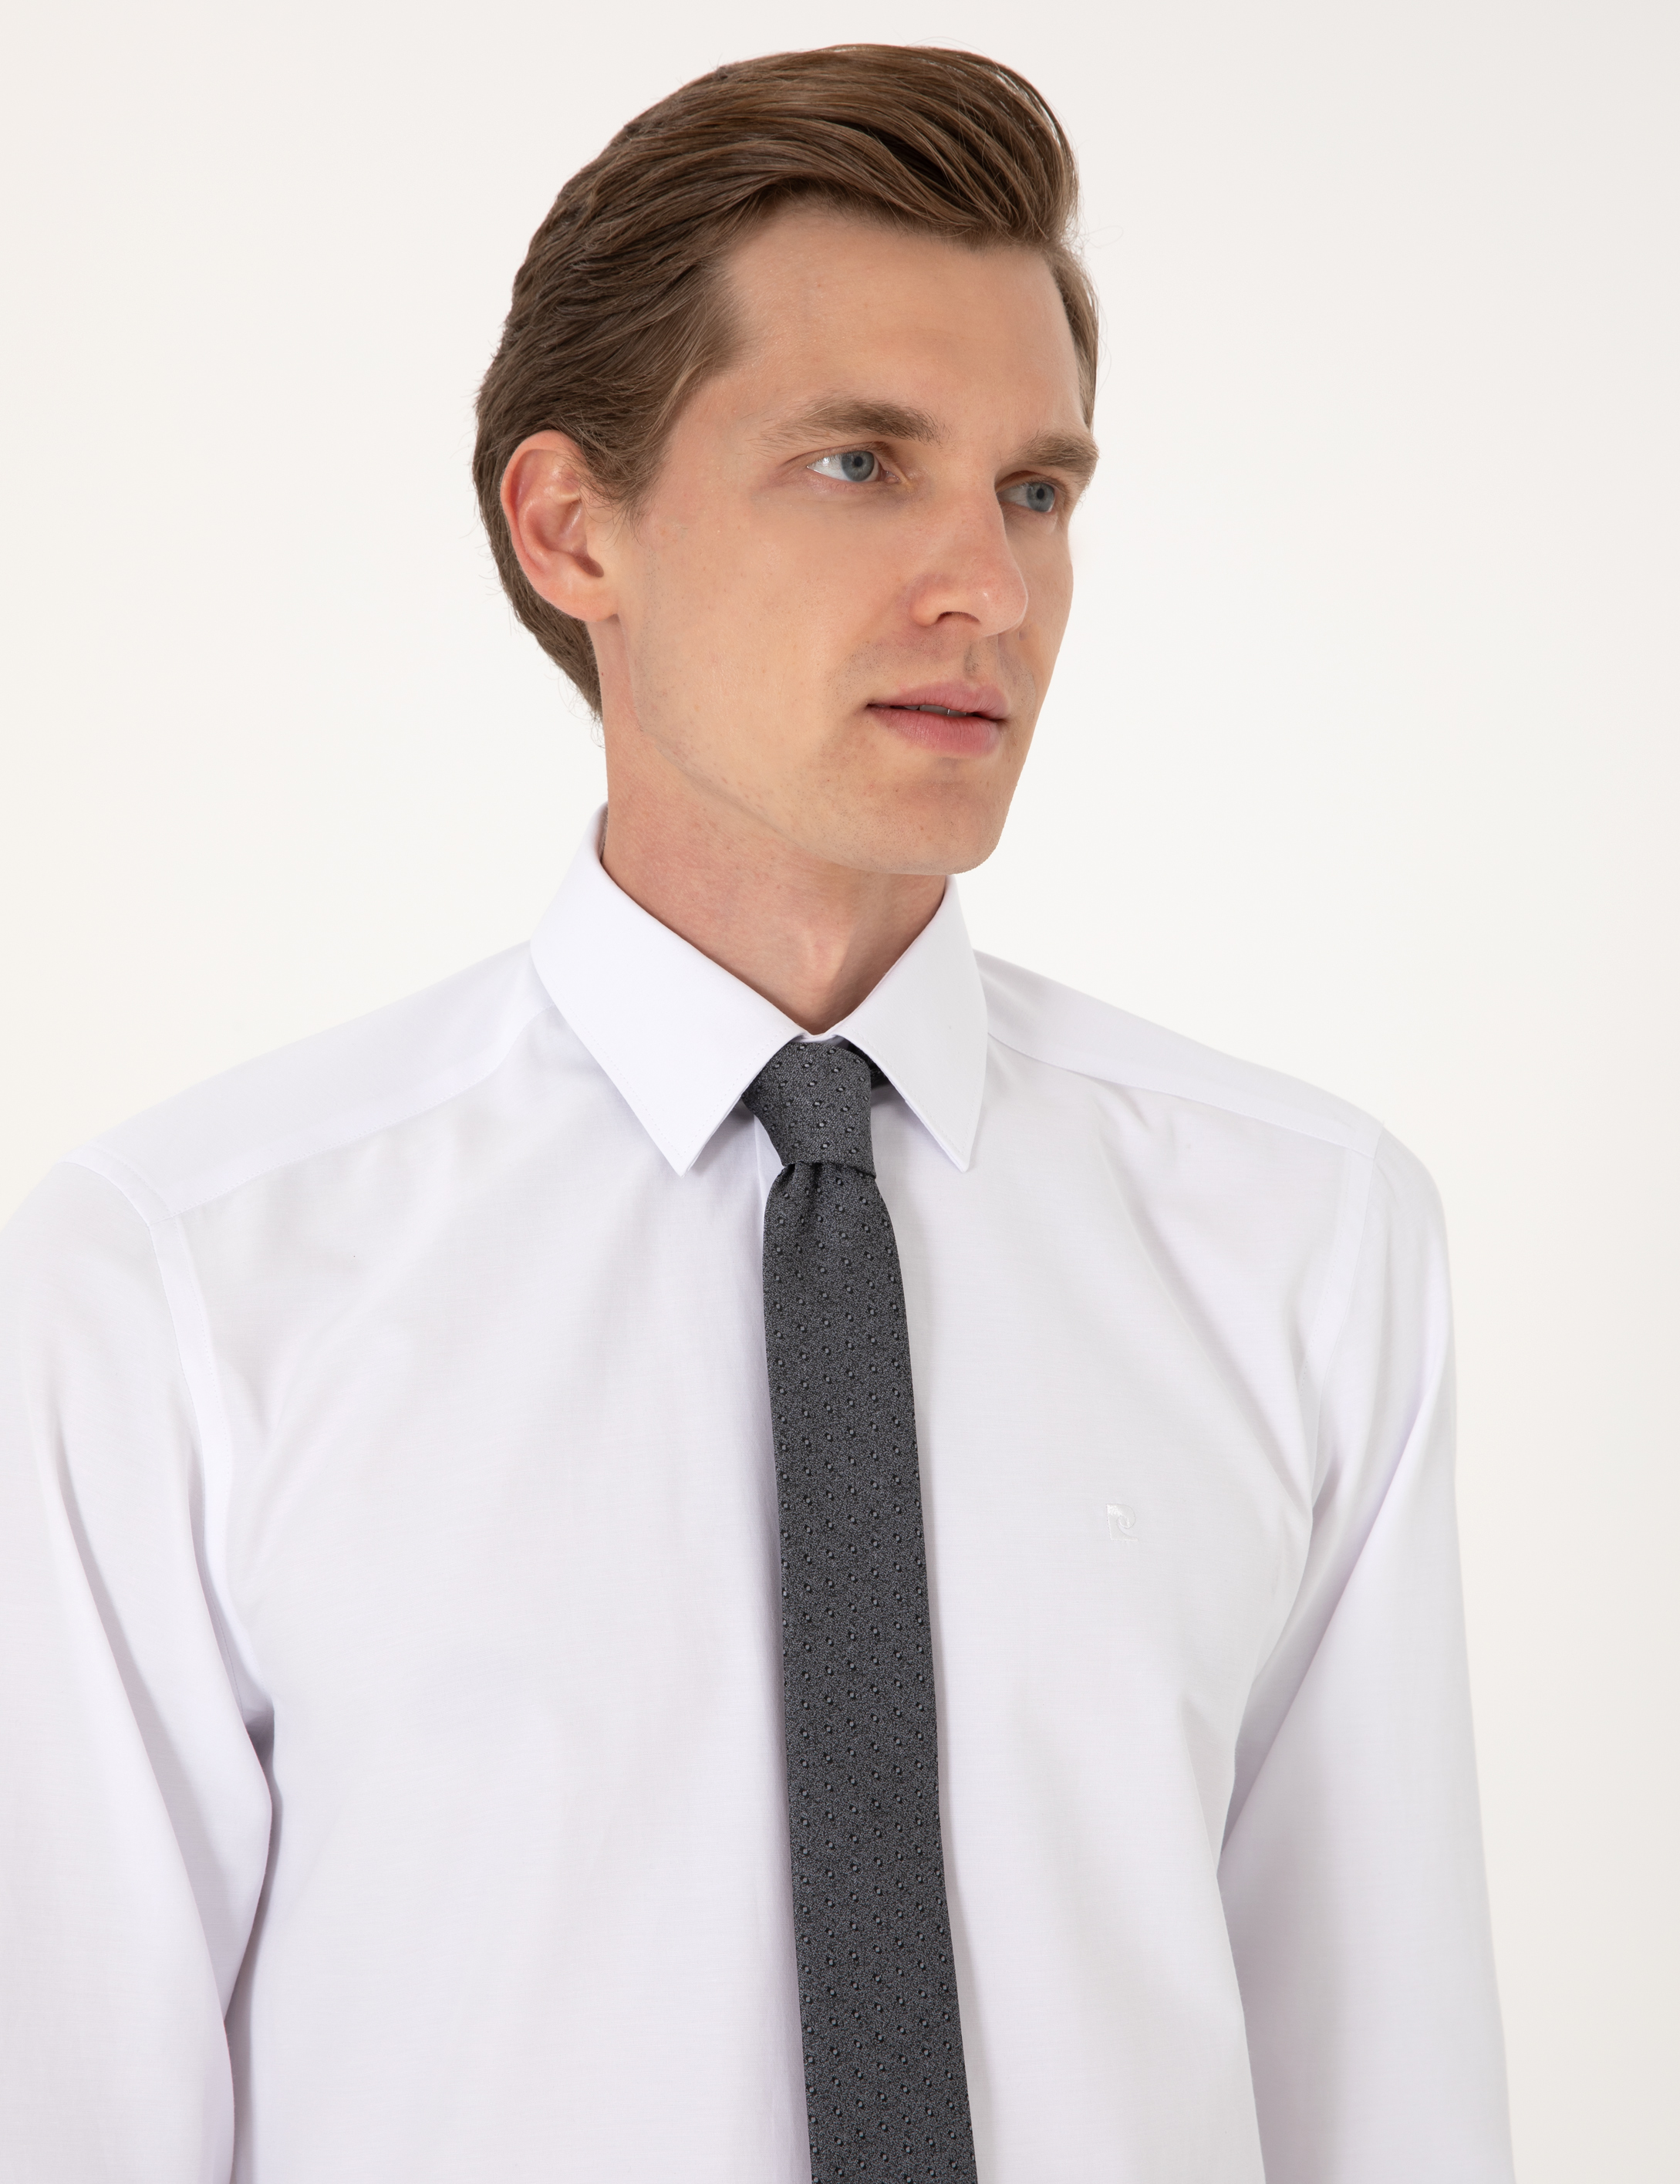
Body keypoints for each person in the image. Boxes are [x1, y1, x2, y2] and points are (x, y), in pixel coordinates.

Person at [0, 43, 1514, 2184]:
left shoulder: (1305, 1234)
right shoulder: (185, 1283)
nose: (988, 588)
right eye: (858, 463)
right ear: (571, 526)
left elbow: (1386, 2094)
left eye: (1036, 490)